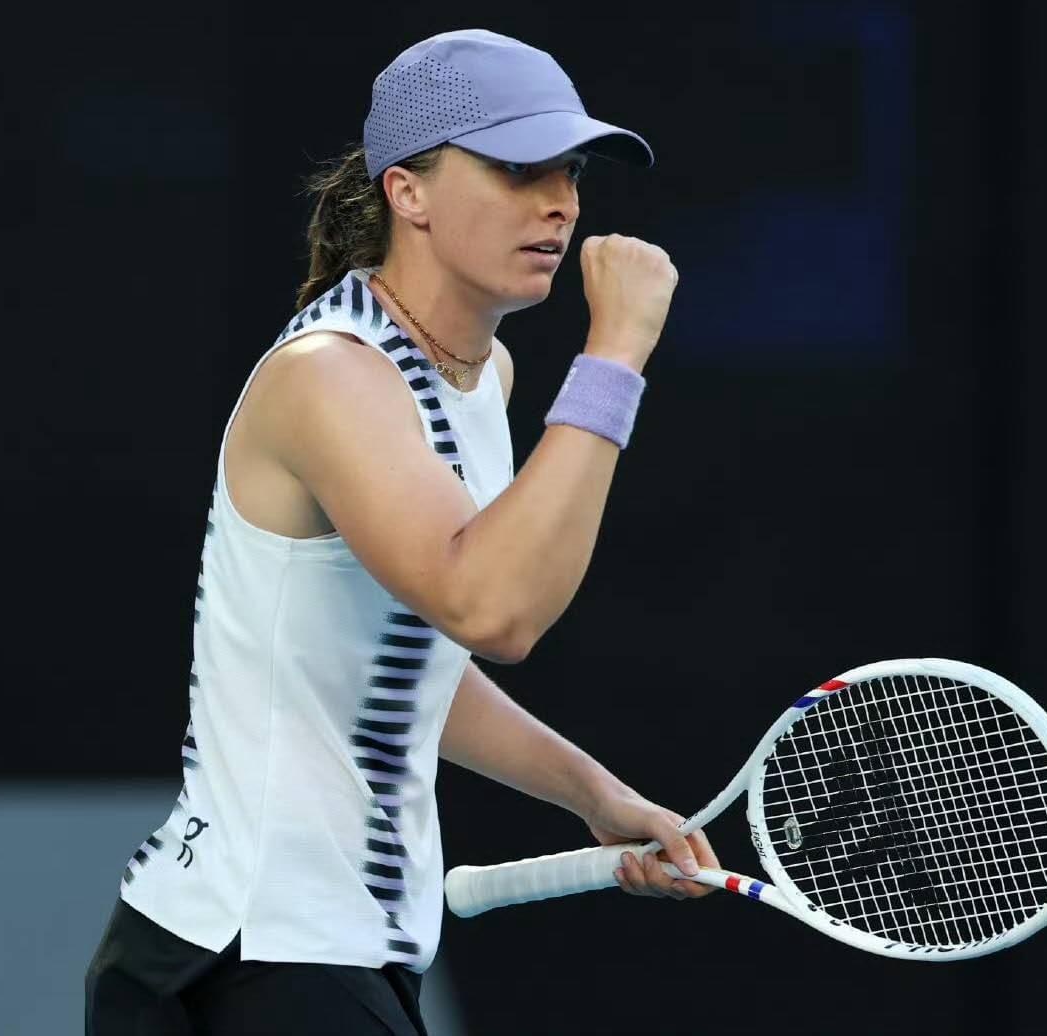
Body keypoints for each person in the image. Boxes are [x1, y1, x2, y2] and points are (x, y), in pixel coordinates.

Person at [85, 28, 716, 1035]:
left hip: (330, 950)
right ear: (407, 192)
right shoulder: (332, 377)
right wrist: (616, 353)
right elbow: (495, 613)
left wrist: (595, 795)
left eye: (570, 170)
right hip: (248, 956)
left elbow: (402, 659)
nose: (560, 201)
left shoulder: (483, 376)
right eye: (518, 168)